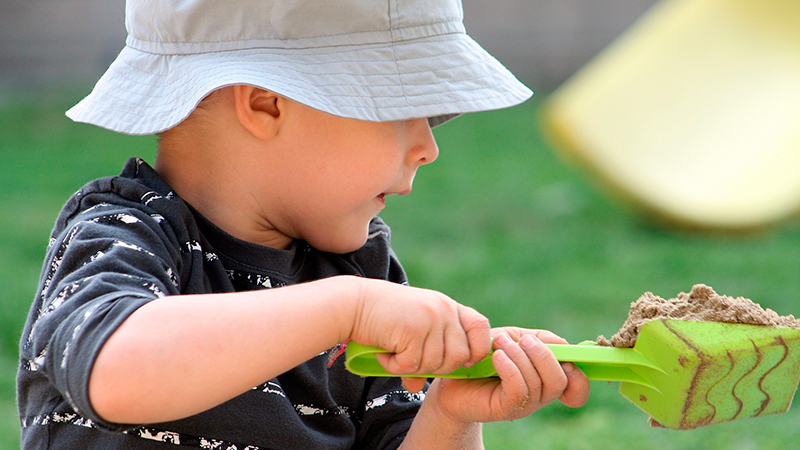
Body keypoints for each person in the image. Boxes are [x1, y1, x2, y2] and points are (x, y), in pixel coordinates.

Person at [17, 0, 590, 448]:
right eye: (402, 109)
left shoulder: (360, 274)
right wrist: (344, 309)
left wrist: (449, 411)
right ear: (267, 102)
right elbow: (116, 372)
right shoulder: (124, 234)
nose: (428, 147)